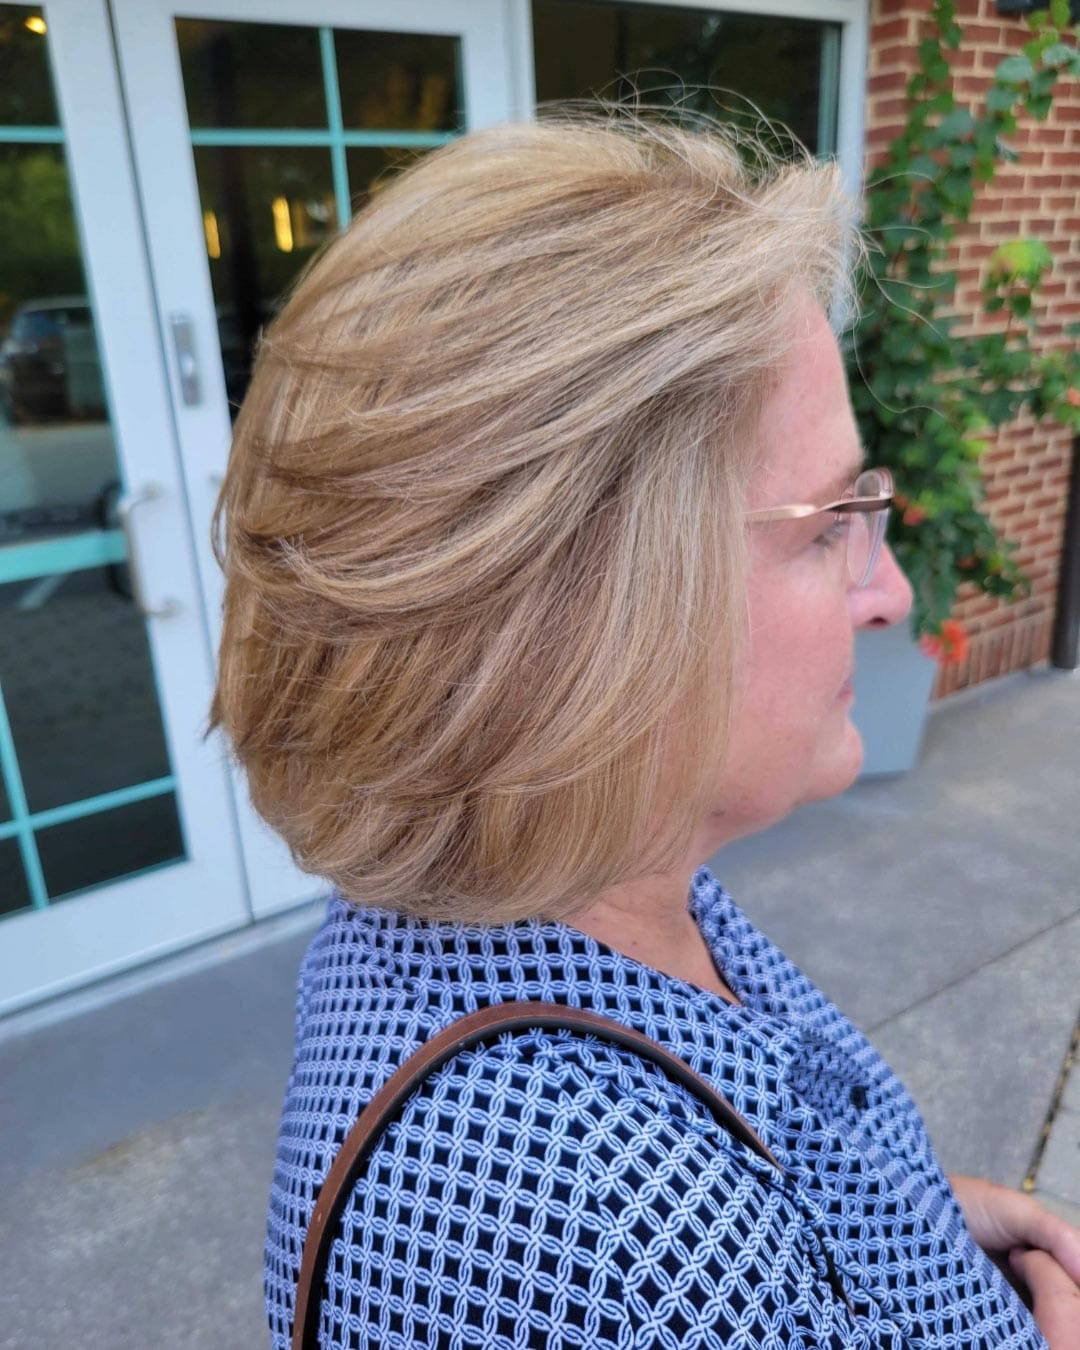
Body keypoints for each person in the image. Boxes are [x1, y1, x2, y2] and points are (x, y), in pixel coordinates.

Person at [209, 114, 1080, 1348]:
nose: (888, 592)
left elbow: (756, 1136)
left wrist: (917, 1226)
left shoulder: (586, 883)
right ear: (592, 626)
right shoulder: (582, 1240)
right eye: (830, 523)